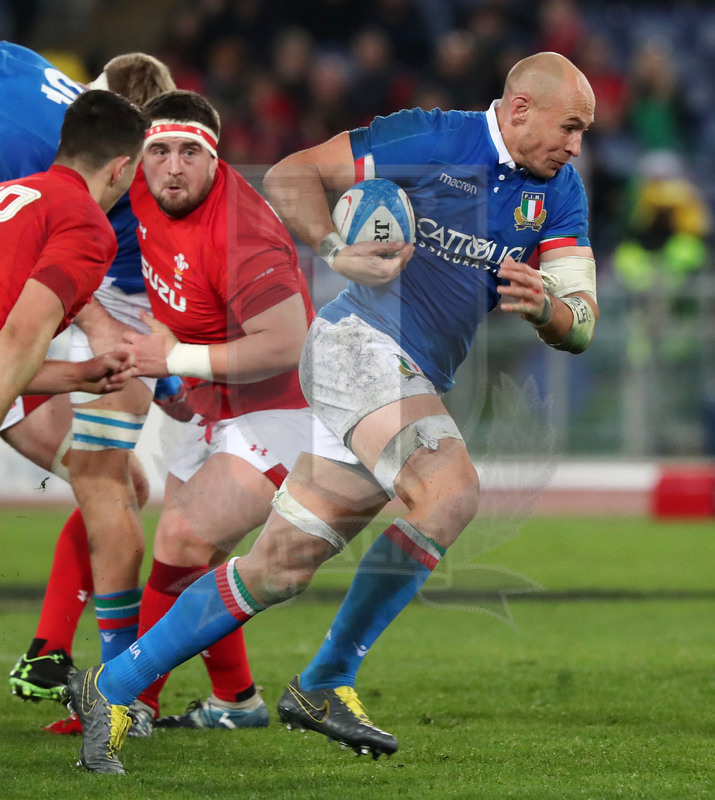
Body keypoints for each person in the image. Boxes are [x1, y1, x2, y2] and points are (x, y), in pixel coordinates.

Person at [66, 51, 599, 774]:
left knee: (276, 568)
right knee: (451, 489)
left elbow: (582, 320)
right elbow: (292, 174)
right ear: (517, 110)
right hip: (356, 348)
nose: (575, 145)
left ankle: (113, 686)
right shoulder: (433, 138)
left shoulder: (560, 192)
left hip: (405, 376)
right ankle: (324, 680)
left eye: (584, 132)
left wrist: (550, 311)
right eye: (568, 127)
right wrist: (333, 248)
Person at [97, 89, 351, 741]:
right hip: (215, 397)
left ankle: (124, 699)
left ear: (214, 159)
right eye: (160, 151)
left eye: (190, 152)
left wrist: (176, 358)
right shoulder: (139, 192)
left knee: (183, 539)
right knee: (182, 552)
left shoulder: (243, 230)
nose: (174, 167)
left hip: (282, 407)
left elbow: (286, 340)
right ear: (138, 157)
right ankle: (234, 699)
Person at [1, 45, 176, 717]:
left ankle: (49, 650)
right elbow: (18, 337)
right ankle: (116, 693)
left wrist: (79, 367)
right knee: (114, 484)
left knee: (115, 481)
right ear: (124, 161)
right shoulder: (89, 215)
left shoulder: (26, 83)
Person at [0, 88, 148, 427]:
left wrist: (76, 375)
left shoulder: (10, 192)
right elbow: (19, 336)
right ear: (120, 169)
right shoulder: (85, 223)